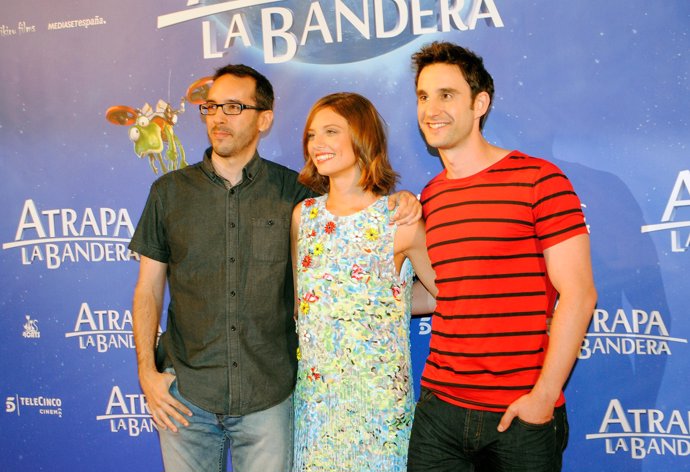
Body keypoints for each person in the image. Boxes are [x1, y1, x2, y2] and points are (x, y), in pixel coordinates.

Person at [129, 64, 422, 472]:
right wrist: (146, 372)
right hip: (185, 397)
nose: (218, 117)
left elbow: (357, 217)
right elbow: (147, 290)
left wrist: (401, 200)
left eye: (234, 106)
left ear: (264, 119)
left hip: (269, 398)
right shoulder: (168, 193)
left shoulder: (298, 197)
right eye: (211, 106)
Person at [406, 42, 597, 472]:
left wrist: (543, 398)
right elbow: (445, 292)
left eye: (446, 94)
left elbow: (580, 294)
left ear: (480, 103)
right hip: (439, 412)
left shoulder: (539, 180)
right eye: (422, 96)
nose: (431, 108)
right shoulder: (431, 196)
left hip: (519, 416)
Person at [290, 92, 437, 471]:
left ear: (363, 137)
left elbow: (442, 294)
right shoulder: (302, 217)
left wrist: (392, 300)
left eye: (331, 131)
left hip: (380, 408)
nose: (317, 144)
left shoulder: (398, 219)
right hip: (318, 405)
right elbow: (303, 303)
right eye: (311, 135)